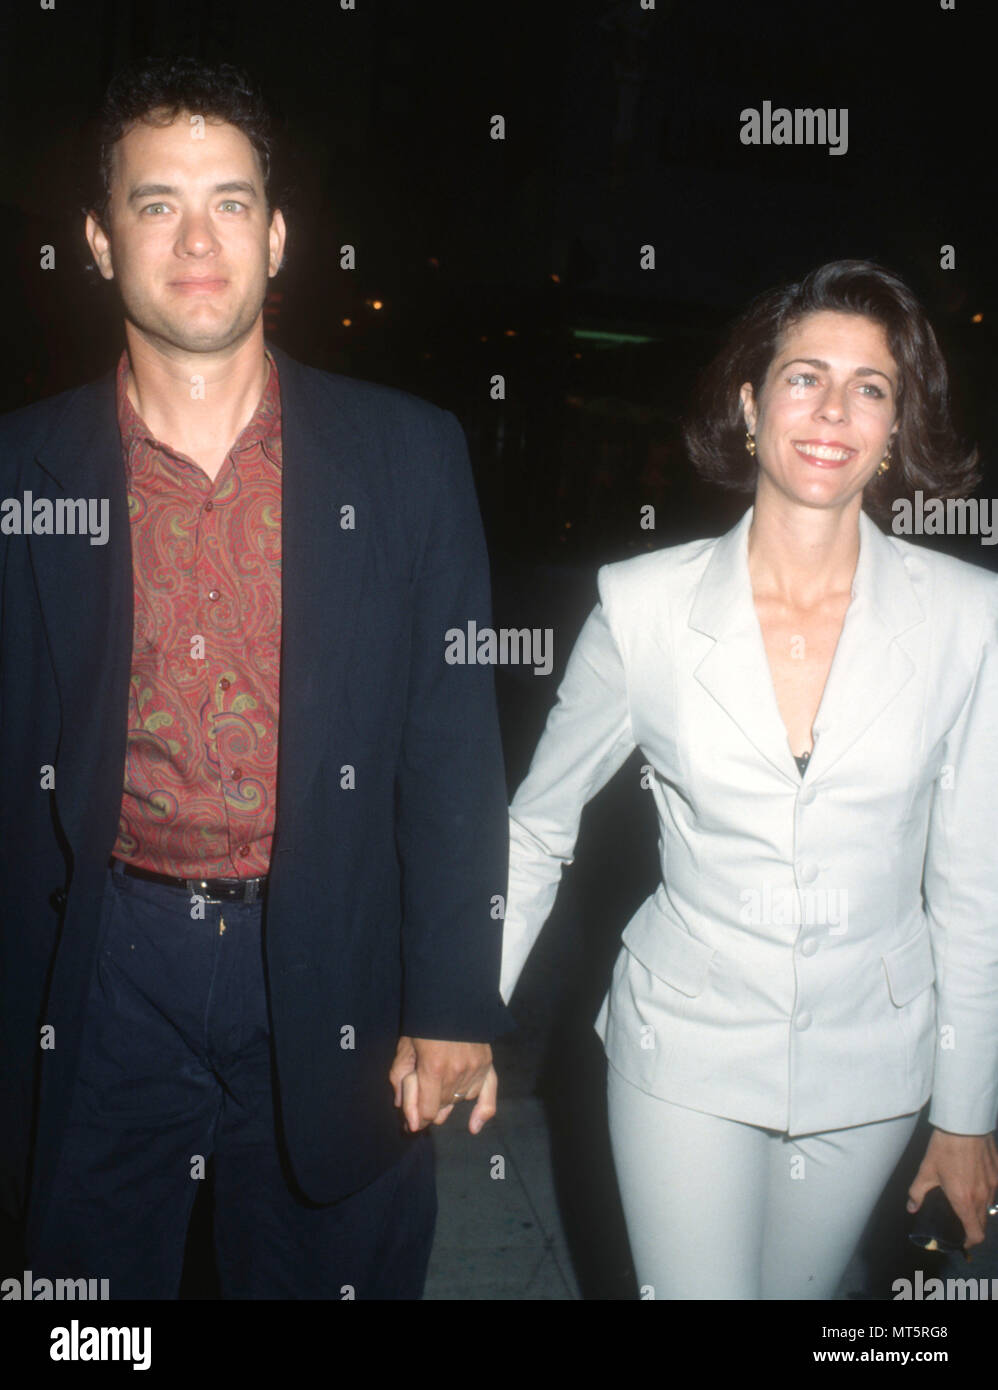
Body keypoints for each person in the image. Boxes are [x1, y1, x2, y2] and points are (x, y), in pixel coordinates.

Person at [0, 55, 510, 1300]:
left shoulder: (407, 455)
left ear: (277, 237)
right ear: (98, 239)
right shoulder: (23, 470)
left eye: (229, 202)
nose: (195, 239)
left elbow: (451, 745)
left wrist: (453, 996)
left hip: (332, 949)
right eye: (155, 202)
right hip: (104, 958)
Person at [499, 260, 998, 1300]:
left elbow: (971, 885)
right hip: (683, 1045)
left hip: (872, 1059)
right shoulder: (639, 607)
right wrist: (460, 1010)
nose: (830, 410)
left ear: (895, 426)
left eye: (868, 387)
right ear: (747, 403)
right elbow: (533, 829)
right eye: (802, 376)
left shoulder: (966, 616)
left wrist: (963, 1108)